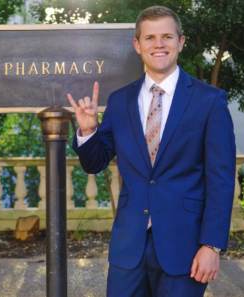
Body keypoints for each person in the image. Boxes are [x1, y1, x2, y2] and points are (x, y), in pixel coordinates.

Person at [67, 6, 236, 297]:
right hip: (127, 249)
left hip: (185, 248)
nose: (159, 44)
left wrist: (211, 246)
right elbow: (95, 163)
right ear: (138, 45)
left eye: (167, 36)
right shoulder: (119, 101)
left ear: (180, 43)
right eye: (150, 38)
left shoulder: (209, 101)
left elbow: (221, 180)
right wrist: (87, 131)